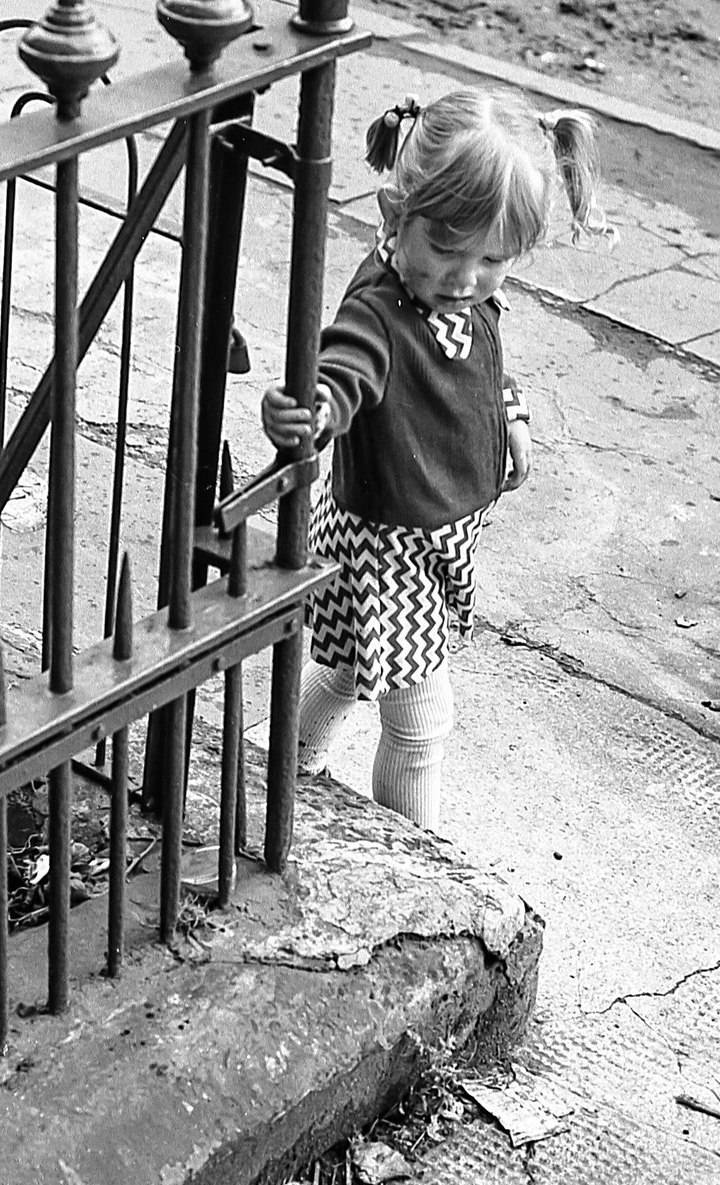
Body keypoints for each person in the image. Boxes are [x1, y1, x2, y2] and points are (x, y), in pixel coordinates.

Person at [261, 88, 614, 833]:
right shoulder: (380, 311)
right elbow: (345, 371)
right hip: (387, 541)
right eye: (447, 249)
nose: (465, 277)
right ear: (395, 217)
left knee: (354, 670)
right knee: (421, 721)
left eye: (492, 260)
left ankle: (284, 763)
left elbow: (485, 368)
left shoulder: (465, 295)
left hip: (435, 529)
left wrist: (509, 422)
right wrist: (313, 412)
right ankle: (417, 851)